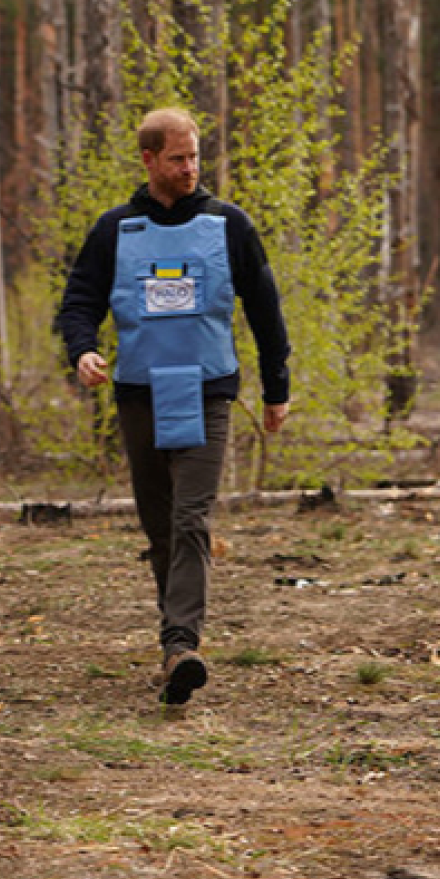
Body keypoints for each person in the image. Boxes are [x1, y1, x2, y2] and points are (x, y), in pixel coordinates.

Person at [55, 107, 291, 706]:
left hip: (209, 389)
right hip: (140, 393)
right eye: (177, 159)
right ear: (149, 160)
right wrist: (82, 351)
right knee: (160, 527)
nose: (189, 169)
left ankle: (182, 643)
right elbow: (79, 301)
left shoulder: (228, 225)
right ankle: (174, 646)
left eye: (195, 158)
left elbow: (265, 309)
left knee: (191, 519)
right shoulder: (116, 230)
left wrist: (276, 387)